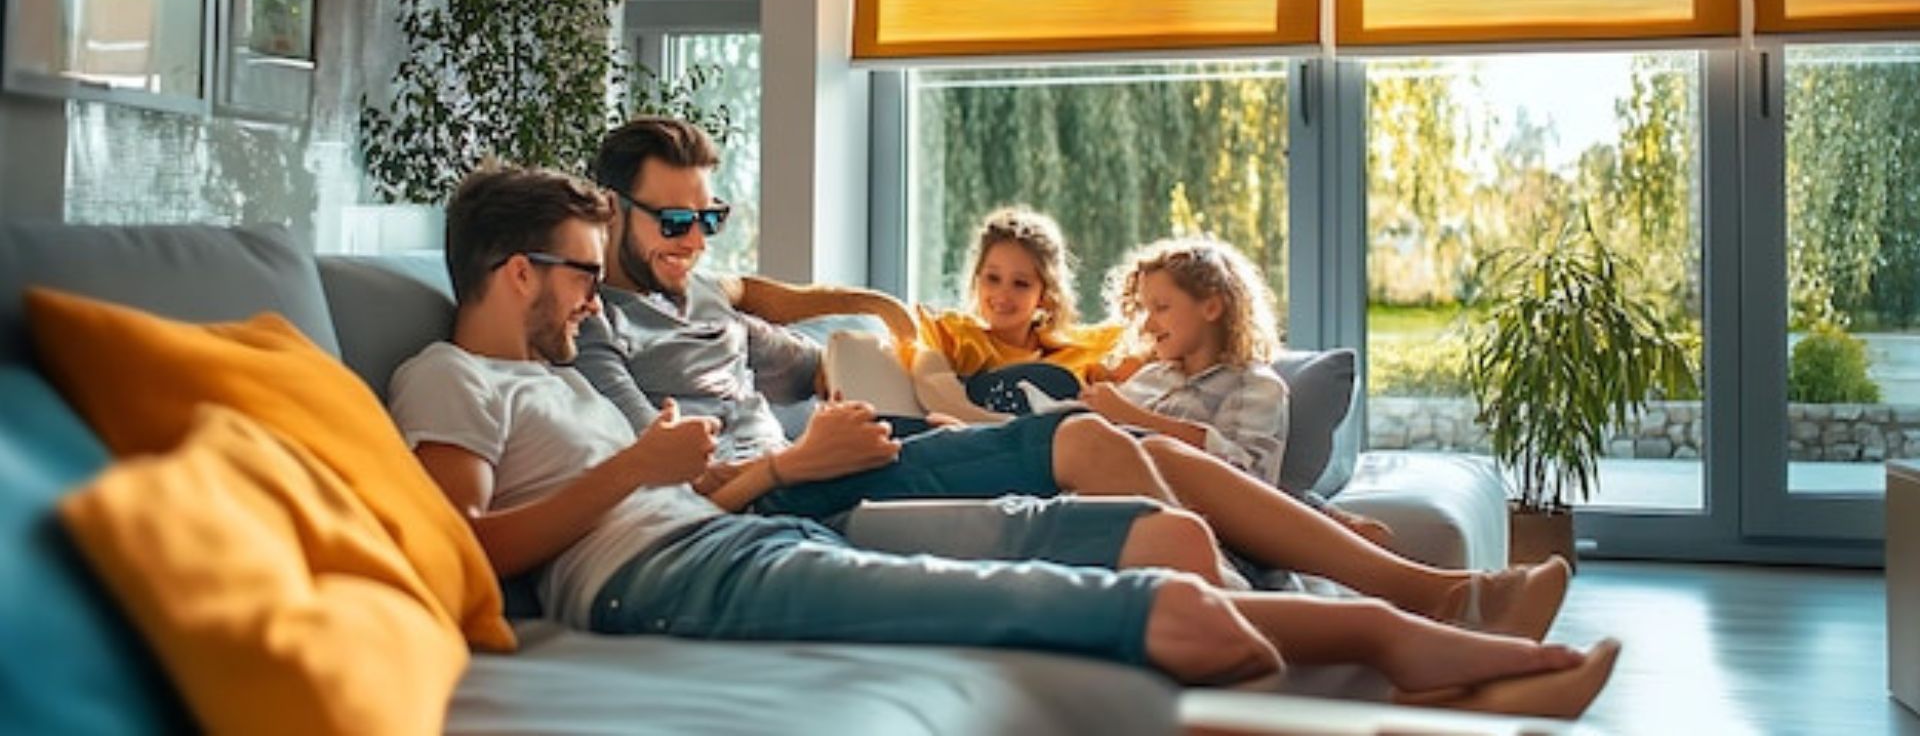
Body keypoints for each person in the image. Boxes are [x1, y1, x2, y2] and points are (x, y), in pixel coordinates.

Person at [387, 164, 1620, 716]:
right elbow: (467, 551)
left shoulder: (633, 342)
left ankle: (1429, 610)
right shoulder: (449, 375)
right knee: (1147, 596)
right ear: (515, 269)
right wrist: (659, 470)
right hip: (684, 556)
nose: (595, 296)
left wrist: (779, 440)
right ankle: (1402, 638)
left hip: (729, 509)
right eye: (582, 273)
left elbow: (743, 422)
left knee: (1130, 497)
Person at [576, 117, 1572, 642]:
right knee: (1111, 455)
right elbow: (660, 485)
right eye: (673, 221)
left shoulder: (709, 303)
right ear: (611, 214)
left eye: (710, 220)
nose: (694, 242)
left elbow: (815, 364)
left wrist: (878, 328)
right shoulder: (592, 329)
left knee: (1102, 439)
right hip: (772, 502)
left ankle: (1441, 594)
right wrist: (798, 464)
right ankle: (1293, 606)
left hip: (840, 454)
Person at [1086, 236, 1291, 489]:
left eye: (1161, 308)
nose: (1148, 326)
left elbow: (1248, 481)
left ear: (1211, 308)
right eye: (1144, 311)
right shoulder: (1150, 378)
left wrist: (1133, 417)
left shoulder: (1255, 387)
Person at [911, 206, 1125, 413]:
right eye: (992, 278)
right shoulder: (955, 334)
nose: (1002, 295)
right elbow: (930, 383)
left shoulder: (1081, 349)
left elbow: (1143, 337)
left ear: (1044, 295)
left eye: (1020, 284)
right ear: (977, 280)